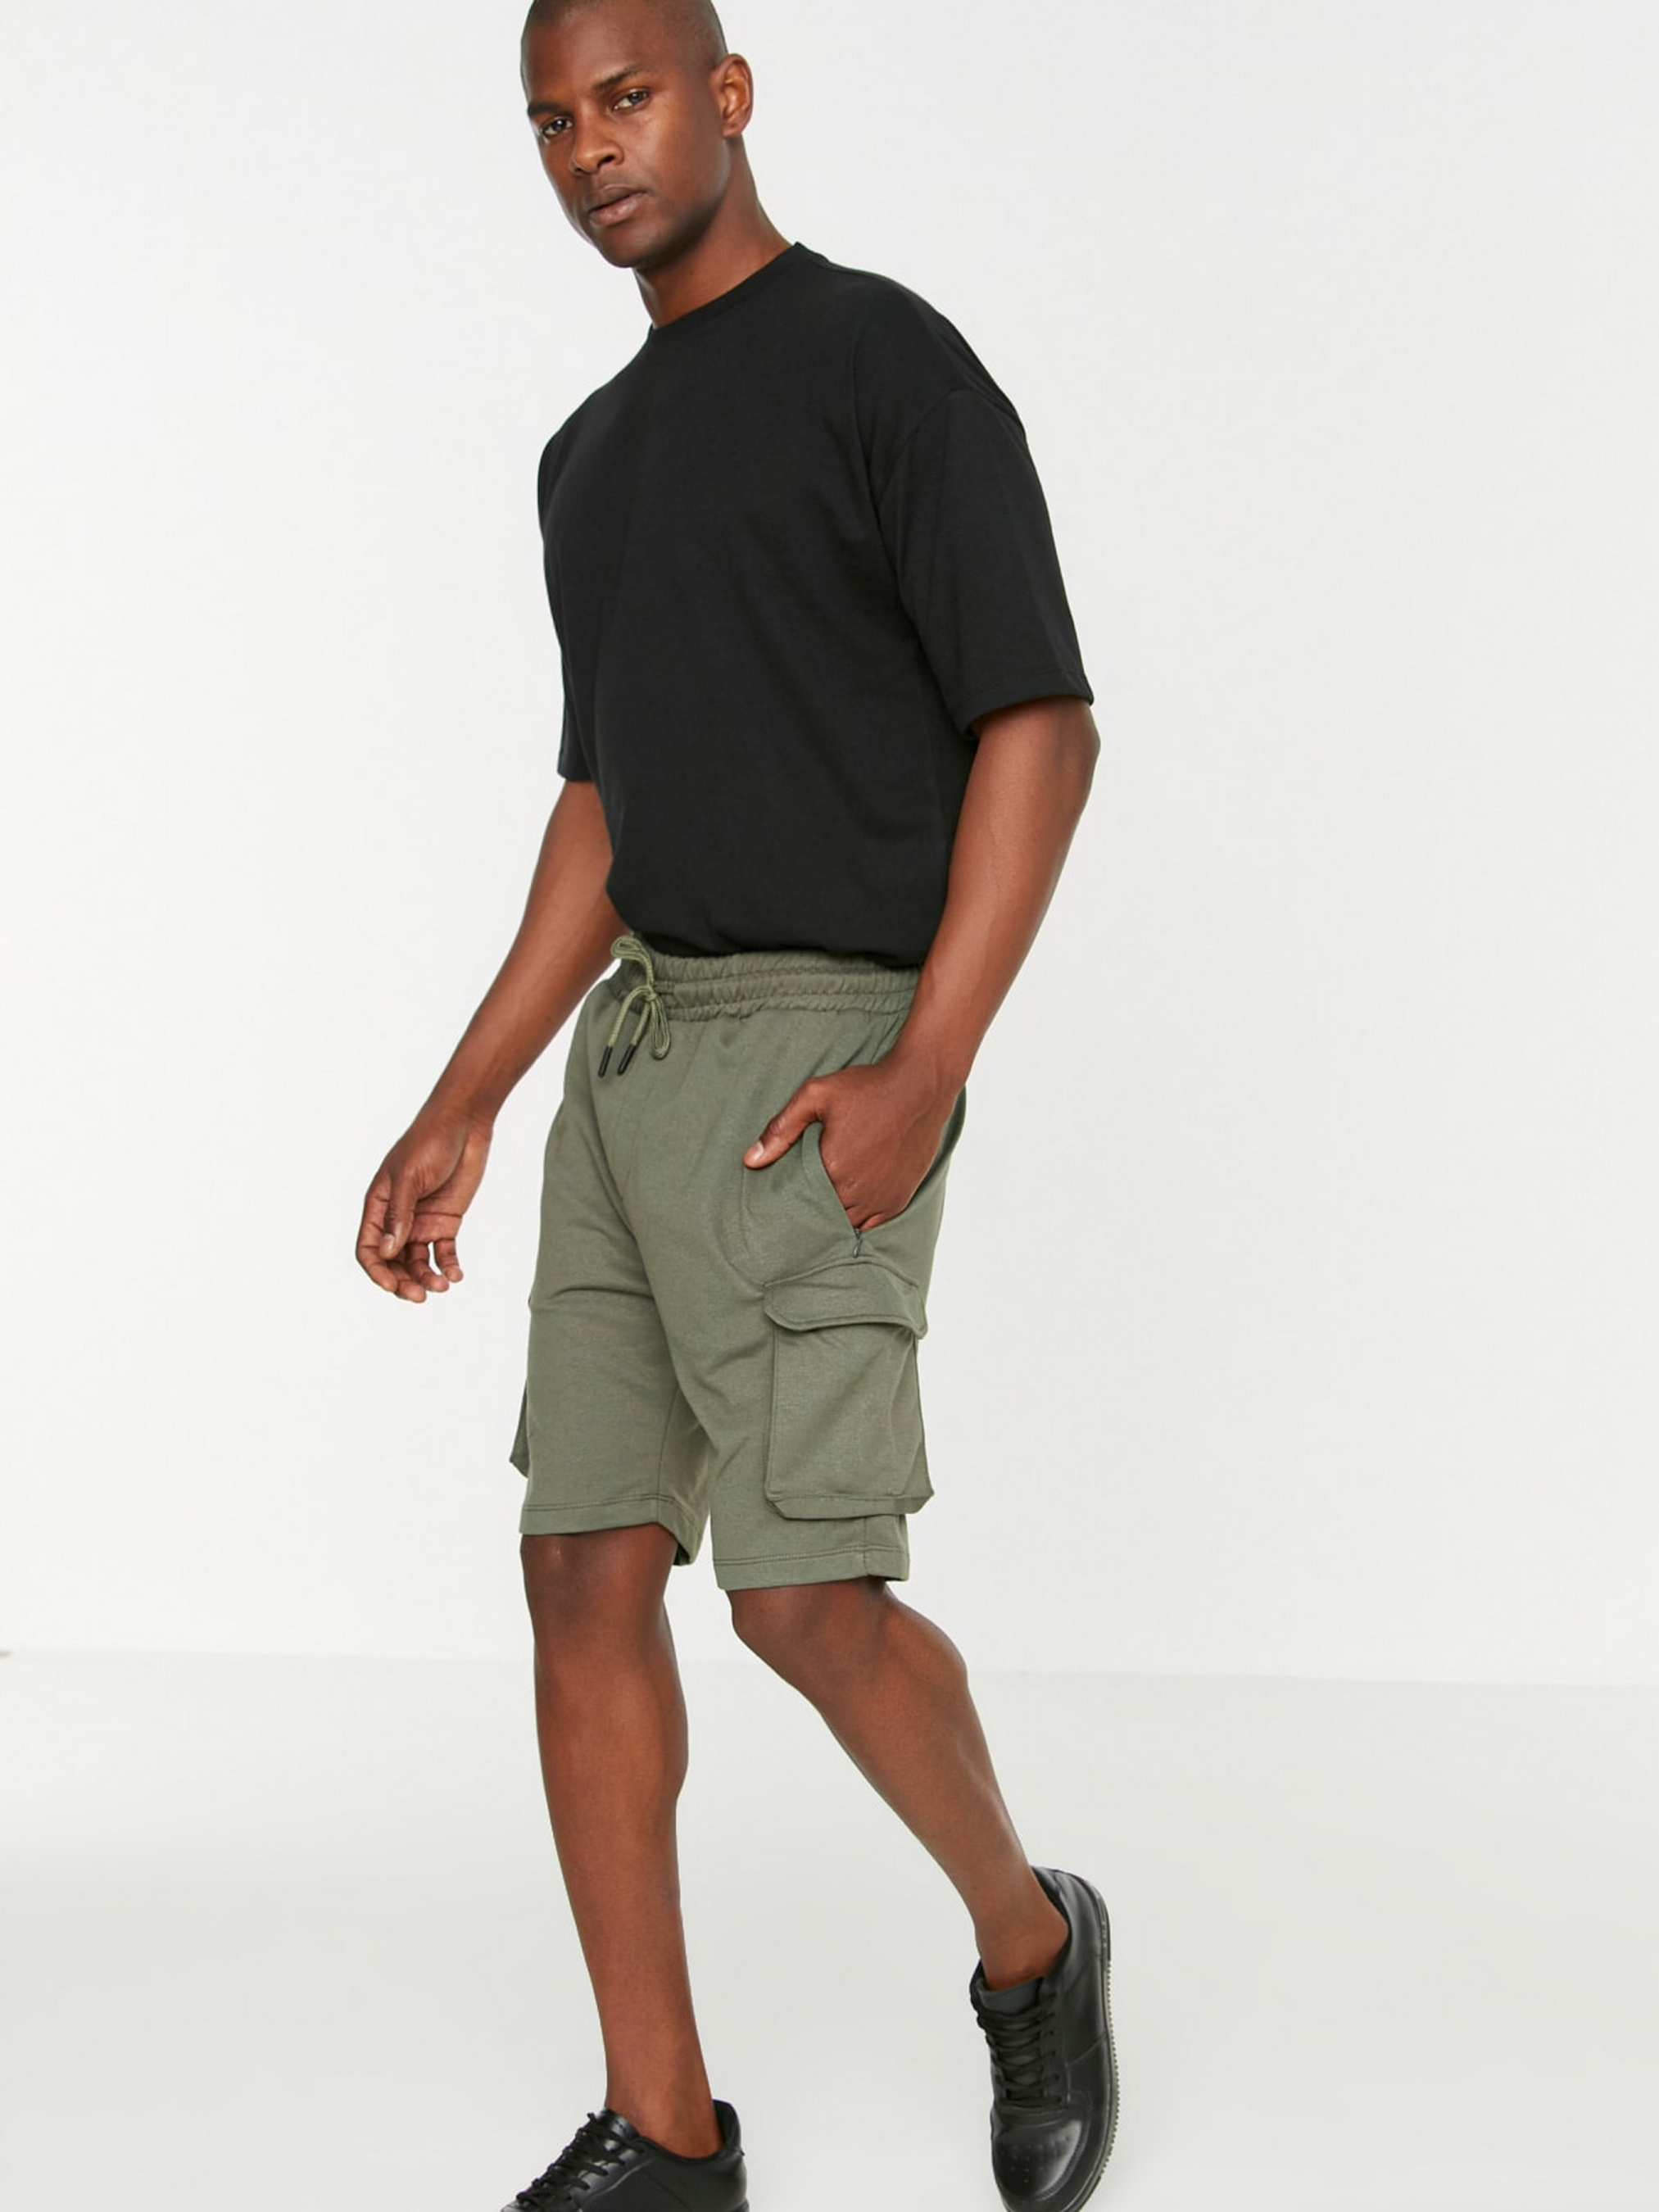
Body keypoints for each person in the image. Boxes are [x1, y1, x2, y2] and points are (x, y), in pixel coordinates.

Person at [355, 0, 1116, 2205]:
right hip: (632, 1058)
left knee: (801, 1598)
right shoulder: (586, 459)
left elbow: (1041, 723)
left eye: (627, 98)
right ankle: (668, 2130)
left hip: (819, 1056)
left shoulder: (885, 362)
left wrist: (926, 1064)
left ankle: (1033, 1940)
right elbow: (608, 800)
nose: (591, 149)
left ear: (727, 94)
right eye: (551, 121)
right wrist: (464, 1096)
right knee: (579, 1569)